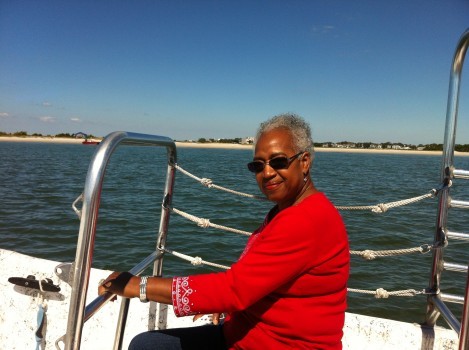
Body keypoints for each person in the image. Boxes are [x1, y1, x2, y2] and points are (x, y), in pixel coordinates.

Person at [99, 113, 350, 349]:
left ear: (304, 162)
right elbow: (256, 279)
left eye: (279, 161)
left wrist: (137, 286)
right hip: (244, 332)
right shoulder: (287, 209)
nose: (268, 172)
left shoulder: (307, 219)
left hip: (279, 344)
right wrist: (227, 305)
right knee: (147, 345)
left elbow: (234, 290)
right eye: (258, 166)